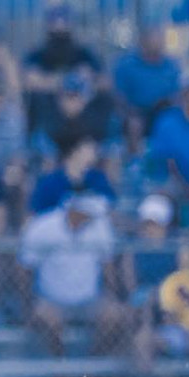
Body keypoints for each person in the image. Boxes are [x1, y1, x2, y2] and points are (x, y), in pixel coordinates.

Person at [21, 193, 126, 358]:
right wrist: (29, 303)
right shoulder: (43, 226)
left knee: (114, 315)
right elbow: (25, 267)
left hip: (89, 299)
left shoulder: (100, 227)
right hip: (51, 299)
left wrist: (112, 295)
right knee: (46, 317)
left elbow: (108, 268)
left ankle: (91, 367)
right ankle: (60, 366)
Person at [22, 8, 101, 140]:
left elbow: (102, 81)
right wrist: (69, 82)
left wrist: (51, 82)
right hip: (47, 118)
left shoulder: (84, 54)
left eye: (64, 32)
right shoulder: (37, 55)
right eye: (55, 32)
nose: (59, 37)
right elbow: (31, 81)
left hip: (81, 116)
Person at [29, 135, 117, 215]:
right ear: (74, 151)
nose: (95, 152)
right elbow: (38, 213)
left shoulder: (98, 178)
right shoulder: (49, 183)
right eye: (89, 148)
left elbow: (109, 205)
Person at [114, 27, 183, 125]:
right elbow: (119, 96)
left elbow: (177, 94)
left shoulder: (171, 66)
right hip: (134, 116)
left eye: (159, 46)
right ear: (143, 44)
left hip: (164, 114)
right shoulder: (126, 66)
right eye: (151, 45)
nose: (156, 51)